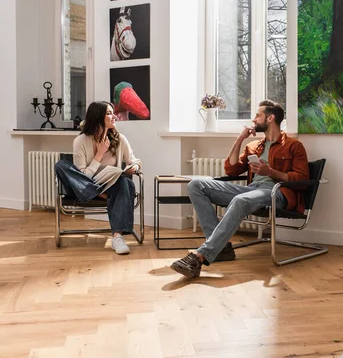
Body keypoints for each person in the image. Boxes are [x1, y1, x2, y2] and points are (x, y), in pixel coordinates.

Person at [170, 100, 309, 278]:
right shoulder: (254, 146)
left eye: (258, 115)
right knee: (196, 185)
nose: (254, 119)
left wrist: (271, 172)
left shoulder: (293, 146)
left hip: (276, 192)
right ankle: (221, 249)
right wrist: (240, 139)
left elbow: (302, 180)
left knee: (241, 200)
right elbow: (231, 169)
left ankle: (200, 255)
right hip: (252, 191)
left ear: (270, 118)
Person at [55, 101, 142, 255]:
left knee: (125, 183)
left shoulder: (120, 139)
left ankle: (117, 237)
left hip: (109, 186)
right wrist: (99, 154)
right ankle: (100, 194)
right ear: (97, 117)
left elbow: (134, 160)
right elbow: (83, 176)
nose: (114, 116)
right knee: (61, 165)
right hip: (84, 188)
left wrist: (134, 167)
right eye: (109, 113)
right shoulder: (80, 141)